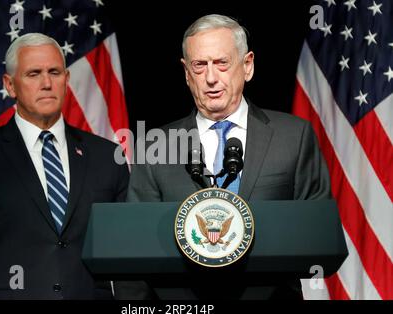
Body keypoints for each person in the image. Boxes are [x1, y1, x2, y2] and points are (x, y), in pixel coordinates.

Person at [126, 14, 331, 299]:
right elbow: (134, 249)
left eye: (222, 63)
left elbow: (318, 233)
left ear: (247, 66)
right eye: (200, 65)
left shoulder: (293, 136)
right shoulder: (154, 147)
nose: (211, 78)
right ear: (186, 73)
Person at [0, 33, 130, 299]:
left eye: (54, 72)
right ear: (10, 85)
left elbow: (126, 253)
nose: (46, 83)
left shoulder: (107, 156)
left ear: (66, 79)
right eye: (33, 74)